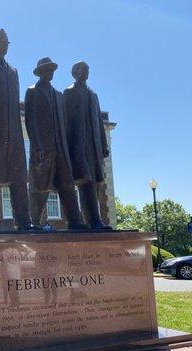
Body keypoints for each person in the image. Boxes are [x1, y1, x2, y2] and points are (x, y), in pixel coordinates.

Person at [0, 29, 38, 231]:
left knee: (19, 179)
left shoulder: (13, 71)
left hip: (14, 133)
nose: (4, 44)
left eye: (6, 42)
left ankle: (23, 220)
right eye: (0, 41)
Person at [25, 57, 87, 229]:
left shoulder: (59, 95)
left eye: (52, 69)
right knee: (40, 187)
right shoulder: (32, 92)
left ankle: (75, 221)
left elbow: (65, 124)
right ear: (40, 72)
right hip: (43, 149)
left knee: (67, 185)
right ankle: (34, 222)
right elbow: (30, 121)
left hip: (61, 149)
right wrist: (37, 145)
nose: (50, 72)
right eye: (46, 69)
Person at [63, 61, 112, 230]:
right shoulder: (69, 92)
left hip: (95, 146)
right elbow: (66, 123)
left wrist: (104, 145)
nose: (87, 72)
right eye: (83, 69)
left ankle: (95, 220)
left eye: (88, 69)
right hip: (79, 147)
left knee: (97, 182)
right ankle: (93, 221)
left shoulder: (93, 94)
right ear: (75, 72)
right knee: (86, 182)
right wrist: (68, 149)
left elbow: (99, 121)